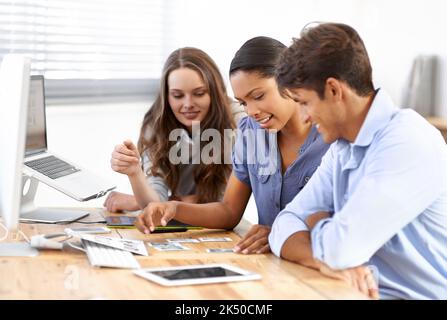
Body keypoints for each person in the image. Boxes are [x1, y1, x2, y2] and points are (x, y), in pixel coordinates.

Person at [270, 22, 447, 299]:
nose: (303, 116)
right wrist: (321, 260)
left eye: (304, 102)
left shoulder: (408, 140)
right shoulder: (342, 148)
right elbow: (284, 224)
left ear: (333, 90)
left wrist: (317, 221)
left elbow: (342, 250)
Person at [134, 36, 329, 255]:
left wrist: (281, 234)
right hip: (272, 266)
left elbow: (347, 226)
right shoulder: (250, 132)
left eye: (259, 96)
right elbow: (229, 211)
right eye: (244, 102)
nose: (251, 111)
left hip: (322, 267)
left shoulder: (331, 138)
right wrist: (173, 208)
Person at [104, 47, 246, 212]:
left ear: (215, 92)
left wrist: (141, 202)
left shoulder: (238, 120)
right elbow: (155, 199)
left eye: (199, 93)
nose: (188, 104)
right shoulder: (156, 123)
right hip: (185, 221)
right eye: (177, 96)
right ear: (167, 95)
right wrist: (135, 174)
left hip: (221, 222)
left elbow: (226, 203)